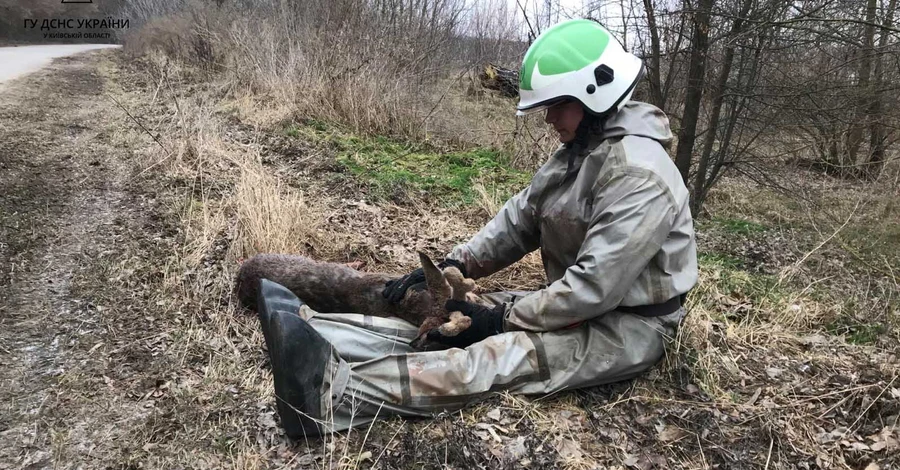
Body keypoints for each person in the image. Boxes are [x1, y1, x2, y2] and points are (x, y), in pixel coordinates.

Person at [256, 18, 698, 439]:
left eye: (555, 106)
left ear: (594, 94)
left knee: (495, 357)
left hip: (628, 329)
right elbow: (521, 219)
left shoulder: (639, 175)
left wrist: (501, 320)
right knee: (455, 315)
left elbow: (593, 289)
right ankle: (314, 330)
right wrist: (457, 262)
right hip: (582, 307)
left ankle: (328, 397)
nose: (548, 120)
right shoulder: (579, 153)